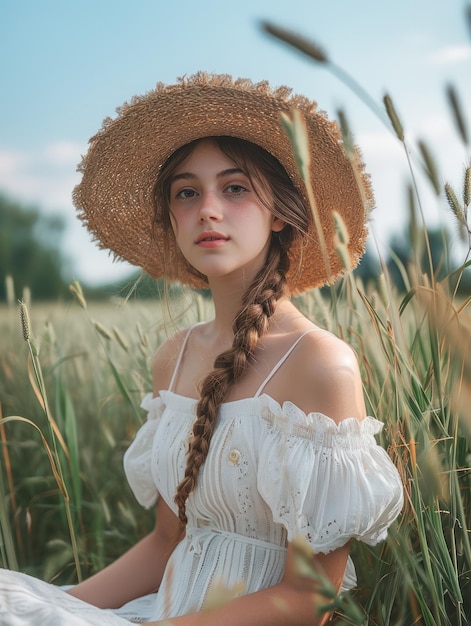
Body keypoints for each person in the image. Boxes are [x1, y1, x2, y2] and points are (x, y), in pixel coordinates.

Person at [0, 72, 403, 626]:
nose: (207, 209)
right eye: (187, 192)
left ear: (281, 211)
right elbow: (166, 542)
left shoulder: (320, 365)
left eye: (234, 188)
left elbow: (310, 598)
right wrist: (55, 607)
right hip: (159, 612)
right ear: (173, 214)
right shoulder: (174, 355)